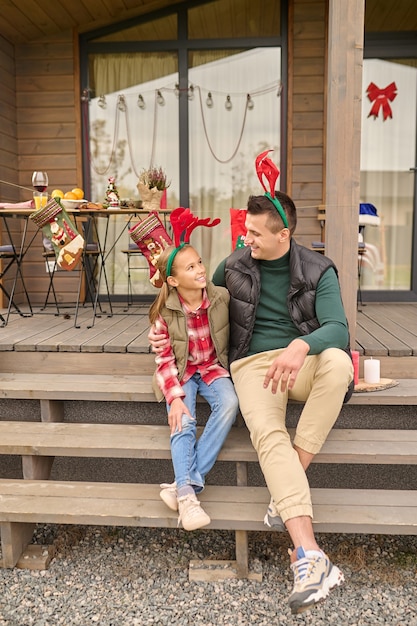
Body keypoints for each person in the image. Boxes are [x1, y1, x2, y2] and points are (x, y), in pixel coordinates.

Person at [149, 156, 353, 613]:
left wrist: (302, 346)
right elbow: (186, 297)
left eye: (256, 233)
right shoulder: (233, 265)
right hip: (251, 368)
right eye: (246, 230)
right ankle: (310, 554)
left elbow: (338, 329)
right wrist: (173, 374)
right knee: (267, 432)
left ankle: (286, 489)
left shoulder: (320, 270)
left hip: (301, 361)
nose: (246, 238)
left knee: (339, 364)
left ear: (285, 235)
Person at [148, 240, 238, 532]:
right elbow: (164, 360)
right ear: (173, 281)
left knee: (229, 404)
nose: (201, 270)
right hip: (181, 371)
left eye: (199, 262)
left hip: (213, 368)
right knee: (183, 420)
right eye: (191, 267)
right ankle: (187, 498)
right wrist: (174, 398)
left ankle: (183, 484)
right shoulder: (165, 313)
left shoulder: (222, 298)